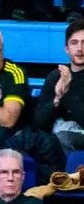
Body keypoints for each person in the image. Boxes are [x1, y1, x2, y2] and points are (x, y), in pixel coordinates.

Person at [35, 20, 84, 154]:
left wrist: (66, 94)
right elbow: (39, 122)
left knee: (63, 138)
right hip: (54, 135)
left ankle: (65, 176)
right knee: (23, 138)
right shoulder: (56, 76)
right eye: (74, 43)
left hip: (76, 138)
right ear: (66, 49)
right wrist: (56, 99)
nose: (80, 48)